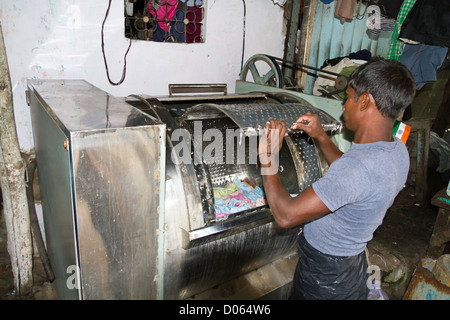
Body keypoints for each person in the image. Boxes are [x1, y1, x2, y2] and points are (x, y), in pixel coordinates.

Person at [258, 57, 416, 300]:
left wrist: (268, 158)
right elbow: (353, 179)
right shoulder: (396, 150)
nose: (344, 107)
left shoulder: (358, 170)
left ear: (365, 100)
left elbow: (285, 214)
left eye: (347, 98)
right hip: (351, 266)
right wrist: (321, 136)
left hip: (325, 277)